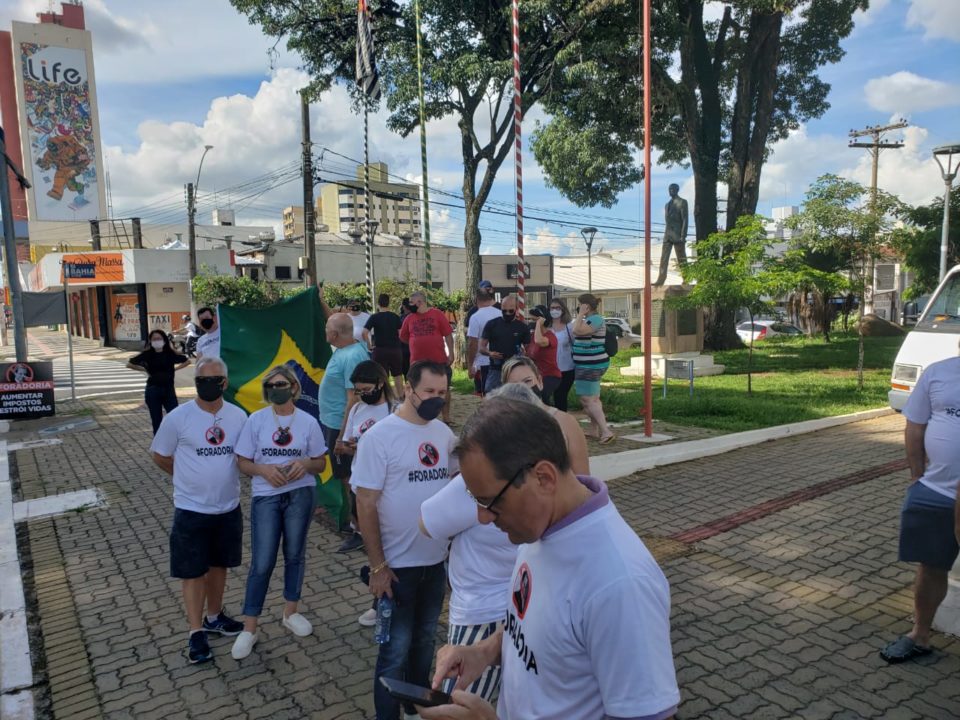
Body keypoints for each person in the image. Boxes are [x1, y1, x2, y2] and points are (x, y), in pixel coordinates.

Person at [419, 398, 680, 720]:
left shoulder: (619, 584)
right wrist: (484, 652)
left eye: (490, 501)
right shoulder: (542, 527)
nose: (484, 518)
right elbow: (538, 629)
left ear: (543, 478)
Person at [352, 360, 457, 720]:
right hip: (396, 568)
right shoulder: (379, 437)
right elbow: (365, 503)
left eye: (442, 393)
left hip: (435, 562)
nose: (436, 399)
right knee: (393, 652)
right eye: (429, 391)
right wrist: (378, 567)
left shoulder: (444, 434)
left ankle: (416, 707)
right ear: (409, 389)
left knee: (425, 641)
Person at [150, 356, 247, 664]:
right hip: (191, 509)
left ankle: (214, 617)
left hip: (228, 507)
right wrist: (186, 478)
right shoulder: (178, 418)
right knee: (192, 571)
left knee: (219, 565)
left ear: (225, 383)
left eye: (213, 380)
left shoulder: (238, 416)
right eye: (200, 381)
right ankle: (195, 632)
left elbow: (245, 456)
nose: (207, 386)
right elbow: (160, 455)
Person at [230, 366, 328, 660]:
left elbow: (320, 462)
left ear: (294, 388)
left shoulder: (308, 421)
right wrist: (263, 470)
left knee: (295, 554)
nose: (276, 389)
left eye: (281, 384)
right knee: (262, 561)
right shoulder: (256, 420)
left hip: (301, 494)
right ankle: (250, 627)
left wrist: (305, 465)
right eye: (270, 385)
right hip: (266, 496)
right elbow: (242, 461)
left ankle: (290, 611)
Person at [880, 346, 960, 664]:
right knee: (930, 566)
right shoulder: (938, 372)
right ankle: (920, 635)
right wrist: (917, 476)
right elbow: (915, 425)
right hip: (935, 492)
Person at [337, 360, 398, 622]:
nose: (362, 395)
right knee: (375, 549)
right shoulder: (357, 409)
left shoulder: (396, 410)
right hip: (361, 487)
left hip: (388, 490)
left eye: (366, 389)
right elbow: (345, 444)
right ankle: (380, 598)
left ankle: (385, 601)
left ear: (381, 384)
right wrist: (351, 446)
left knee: (392, 548)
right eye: (358, 390)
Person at [317, 308, 371, 547]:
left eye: (327, 330)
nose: (324, 333)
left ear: (336, 334)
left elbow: (354, 397)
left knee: (349, 479)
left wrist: (342, 434)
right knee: (346, 477)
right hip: (334, 422)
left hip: (340, 426)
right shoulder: (348, 348)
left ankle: (359, 530)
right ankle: (357, 525)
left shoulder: (350, 356)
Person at [500, 358, 589, 476]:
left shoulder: (566, 423)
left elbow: (583, 478)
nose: (523, 390)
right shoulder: (503, 427)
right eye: (514, 386)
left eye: (528, 381)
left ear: (540, 382)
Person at [400, 291, 454, 424]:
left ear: (420, 302)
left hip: (438, 360)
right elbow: (404, 337)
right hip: (417, 362)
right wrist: (416, 343)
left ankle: (446, 417)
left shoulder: (437, 314)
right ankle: (415, 414)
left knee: (443, 389)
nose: (410, 306)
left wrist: (451, 353)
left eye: (412, 303)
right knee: (416, 388)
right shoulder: (409, 318)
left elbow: (447, 334)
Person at [571, 293, 615, 444]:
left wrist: (580, 315)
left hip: (591, 364)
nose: (578, 308)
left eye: (580, 305)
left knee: (587, 399)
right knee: (594, 398)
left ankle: (606, 431)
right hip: (588, 363)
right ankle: (594, 429)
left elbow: (577, 331)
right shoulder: (590, 319)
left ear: (586, 306)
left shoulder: (595, 319)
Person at [127, 329, 189, 435]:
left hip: (169, 390)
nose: (157, 341)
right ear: (150, 341)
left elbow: (187, 361)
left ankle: (175, 441)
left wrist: (175, 369)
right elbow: (129, 364)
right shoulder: (147, 354)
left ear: (164, 340)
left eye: (159, 338)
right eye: (154, 339)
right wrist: (144, 369)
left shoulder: (170, 354)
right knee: (156, 420)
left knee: (175, 416)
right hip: (153, 390)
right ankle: (158, 445)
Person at [478, 294, 530, 395]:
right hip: (496, 368)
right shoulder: (492, 324)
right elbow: (481, 347)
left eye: (511, 311)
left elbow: (528, 348)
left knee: (514, 397)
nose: (507, 313)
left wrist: (524, 353)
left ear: (516, 309)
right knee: (491, 396)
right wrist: (490, 353)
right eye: (504, 311)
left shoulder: (522, 327)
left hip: (514, 368)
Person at [364, 293, 405, 402]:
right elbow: (401, 333)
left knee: (382, 376)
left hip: (380, 350)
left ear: (378, 304)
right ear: (389, 303)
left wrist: (369, 344)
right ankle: (401, 397)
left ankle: (386, 398)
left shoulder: (374, 317)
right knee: (397, 375)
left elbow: (364, 332)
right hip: (395, 350)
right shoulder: (395, 317)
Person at [467, 282, 503, 397]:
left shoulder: (475, 317)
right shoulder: (500, 313)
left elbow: (472, 344)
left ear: (477, 299)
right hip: (500, 360)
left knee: (485, 395)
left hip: (483, 362)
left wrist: (470, 365)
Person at [525, 305, 562, 405]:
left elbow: (539, 341)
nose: (532, 323)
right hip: (537, 375)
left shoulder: (550, 336)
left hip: (550, 375)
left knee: (542, 395)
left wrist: (539, 323)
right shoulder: (533, 336)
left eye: (534, 320)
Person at [654, 183, 689, 286]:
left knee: (682, 259)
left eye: (673, 189)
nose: (671, 191)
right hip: (667, 235)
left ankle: (686, 278)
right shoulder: (667, 205)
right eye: (669, 189)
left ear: (677, 190)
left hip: (678, 235)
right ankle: (661, 279)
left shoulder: (682, 202)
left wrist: (683, 235)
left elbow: (685, 219)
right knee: (663, 258)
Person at [548, 298, 576, 411]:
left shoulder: (569, 327)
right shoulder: (546, 326)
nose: (554, 310)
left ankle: (563, 423)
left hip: (567, 368)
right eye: (552, 308)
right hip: (549, 368)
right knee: (547, 397)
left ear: (563, 310)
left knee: (561, 396)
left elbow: (575, 343)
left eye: (557, 308)